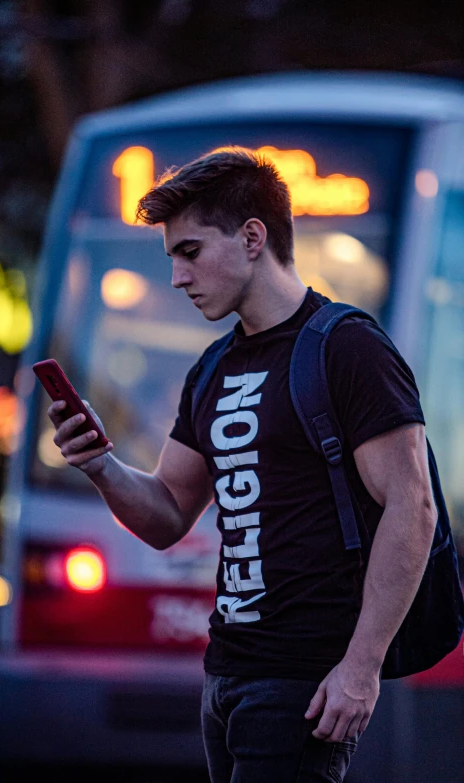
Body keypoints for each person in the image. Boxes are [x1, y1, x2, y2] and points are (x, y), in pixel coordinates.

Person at [47, 147, 437, 782]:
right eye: (171, 256)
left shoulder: (347, 347)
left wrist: (361, 668)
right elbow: (169, 514)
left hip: (303, 681)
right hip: (226, 676)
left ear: (253, 237)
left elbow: (412, 508)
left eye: (190, 252)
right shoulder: (212, 370)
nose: (176, 276)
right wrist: (101, 466)